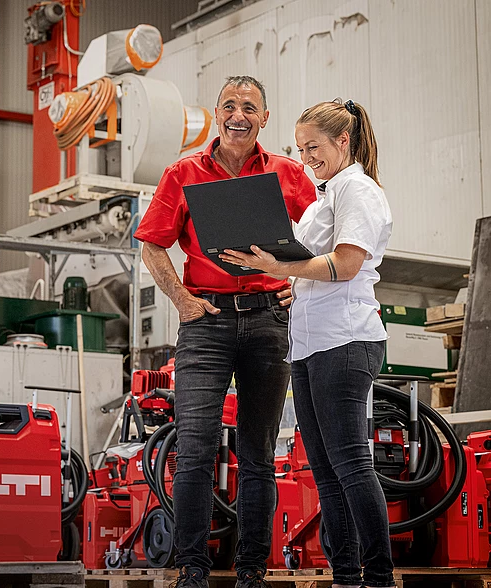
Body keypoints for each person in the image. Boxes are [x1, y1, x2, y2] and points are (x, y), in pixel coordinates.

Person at [134, 76, 316, 588]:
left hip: (268, 322)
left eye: (250, 108)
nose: (239, 115)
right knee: (195, 448)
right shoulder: (183, 173)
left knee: (258, 452)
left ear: (265, 118)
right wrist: (180, 299)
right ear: (217, 113)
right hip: (205, 322)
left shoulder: (289, 173)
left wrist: (297, 285)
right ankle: (191, 569)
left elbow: (323, 237)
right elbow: (152, 244)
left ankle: (252, 571)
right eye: (230, 106)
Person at [219, 98, 394, 588]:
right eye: (299, 149)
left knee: (351, 463)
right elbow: (309, 263)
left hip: (345, 338)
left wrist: (280, 269)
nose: (305, 157)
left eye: (313, 146)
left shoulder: (357, 190)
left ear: (344, 140)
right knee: (324, 468)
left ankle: (378, 575)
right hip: (310, 342)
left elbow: (345, 265)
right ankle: (346, 575)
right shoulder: (323, 196)